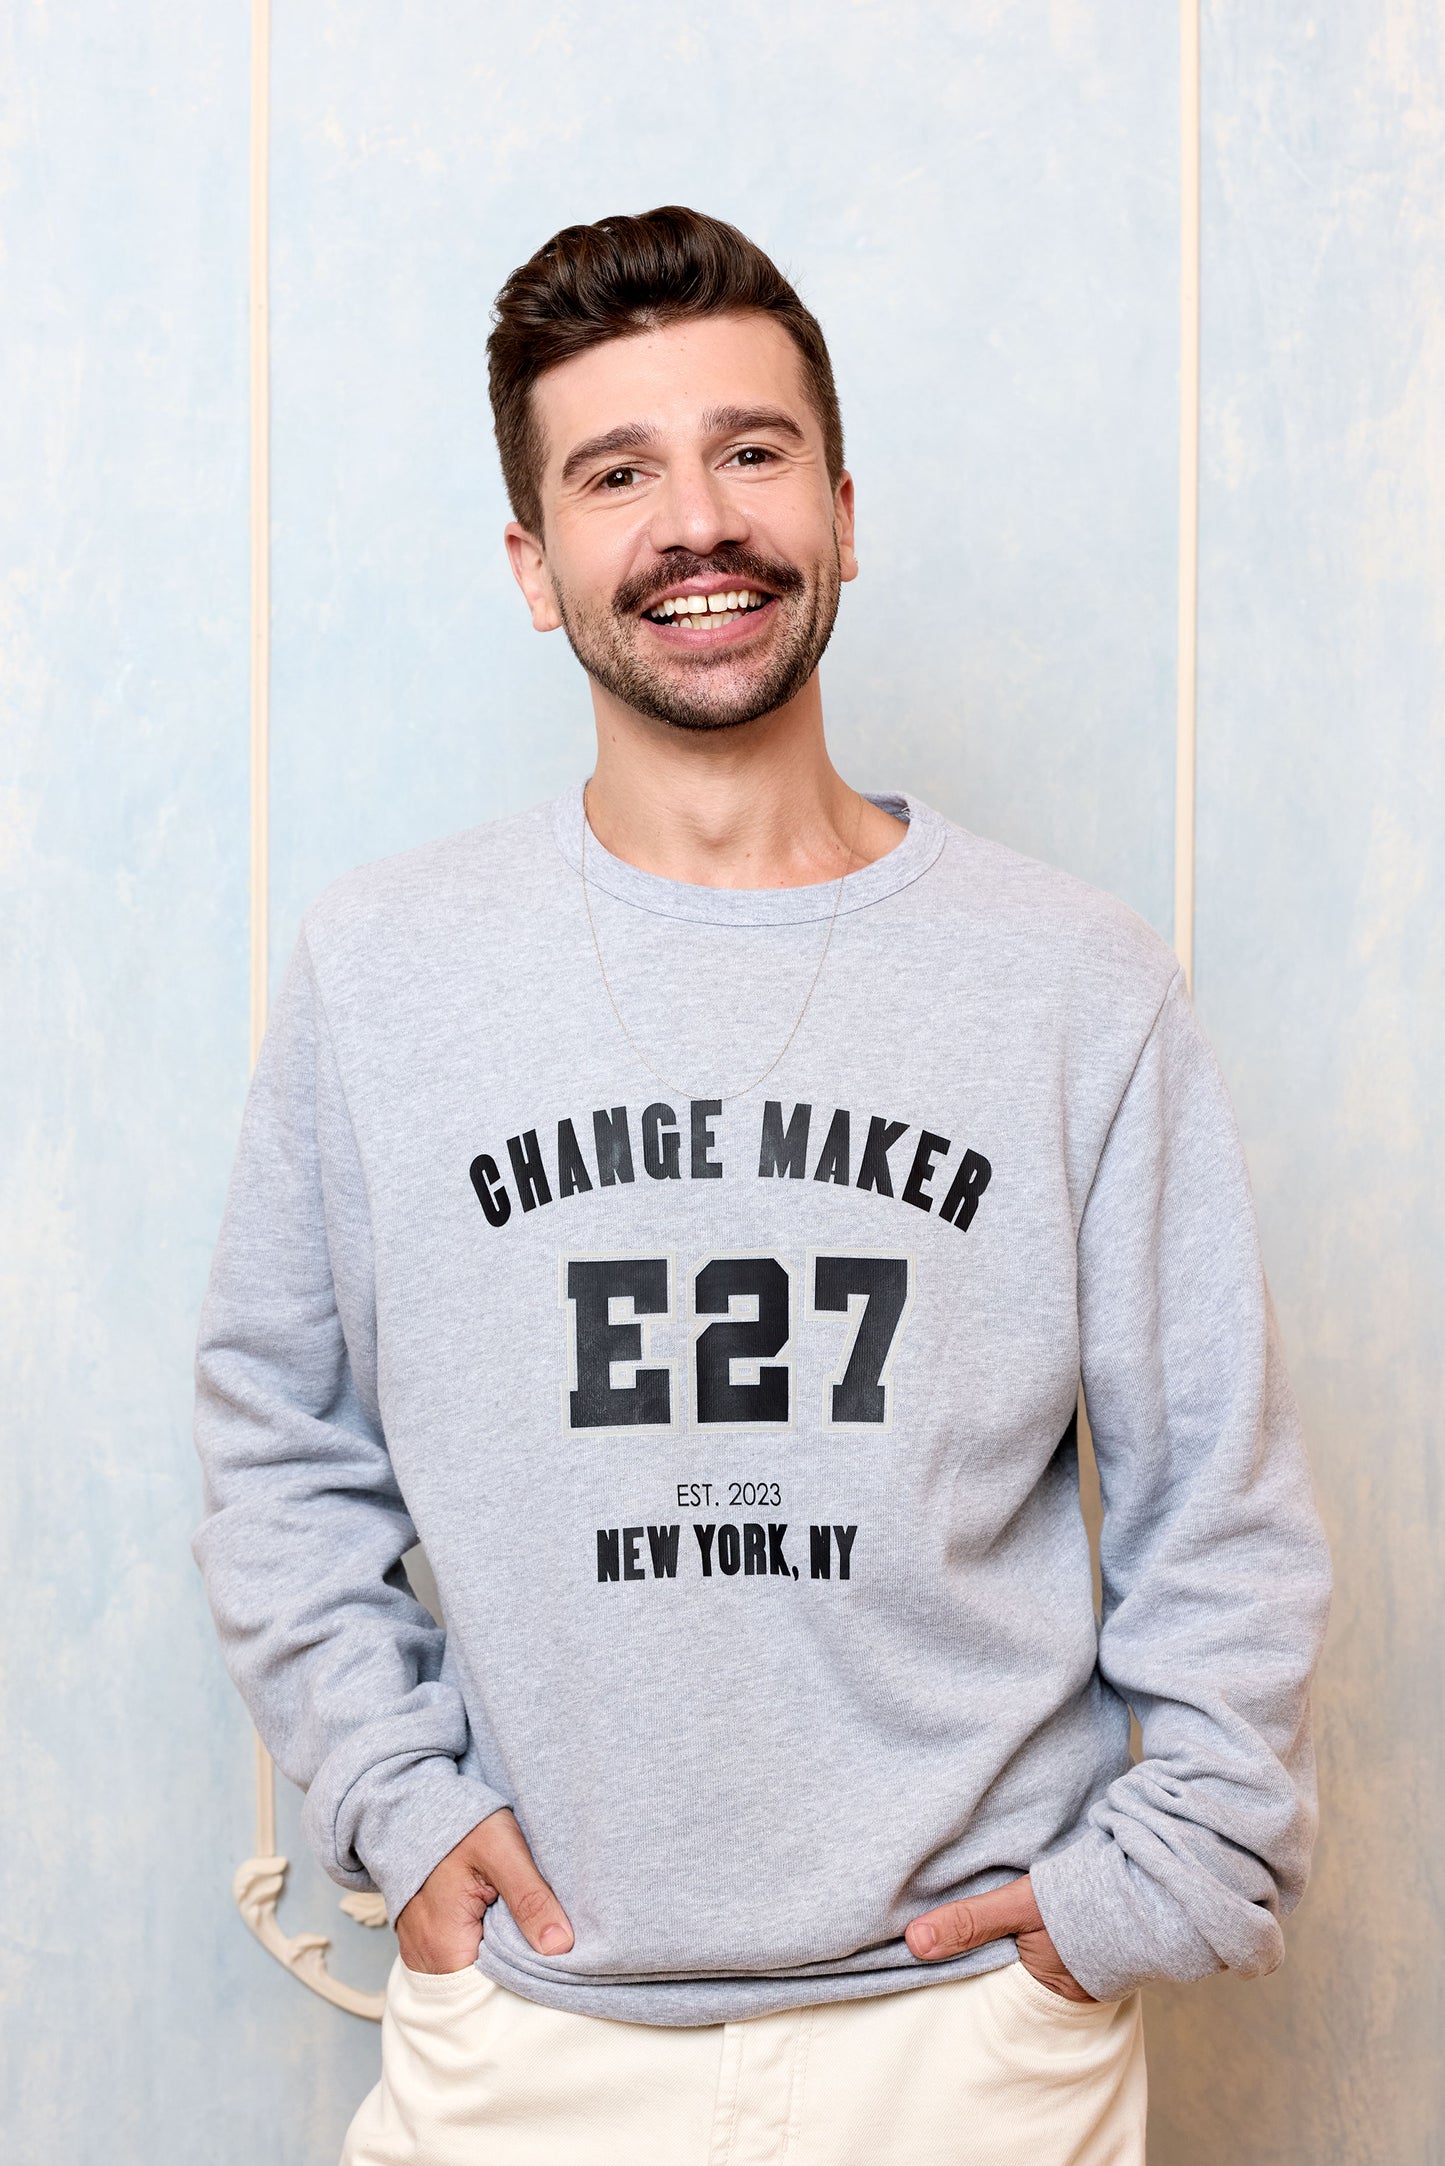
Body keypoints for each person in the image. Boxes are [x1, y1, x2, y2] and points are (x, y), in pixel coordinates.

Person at [193, 206, 1331, 2165]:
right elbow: (273, 1433)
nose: (696, 524)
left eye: (750, 452)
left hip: (974, 2037)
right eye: (616, 474)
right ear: (534, 567)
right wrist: (394, 1793)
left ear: (843, 509)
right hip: (537, 2034)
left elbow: (1214, 1492)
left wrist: (1152, 1880)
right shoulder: (385, 971)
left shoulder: (1073, 980)